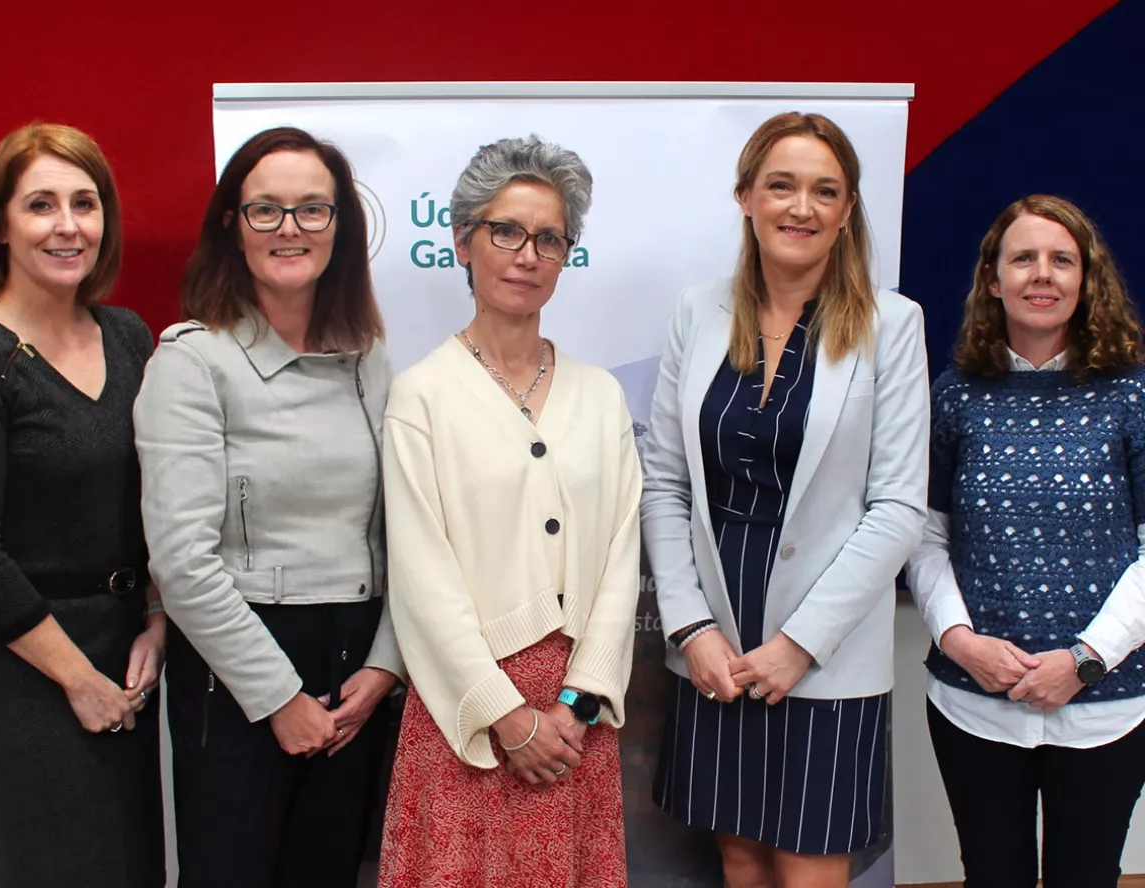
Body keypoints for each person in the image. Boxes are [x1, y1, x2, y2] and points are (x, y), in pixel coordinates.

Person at [641, 111, 929, 888]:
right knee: (739, 854)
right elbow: (664, 483)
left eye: (824, 191)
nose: (800, 207)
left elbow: (900, 506)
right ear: (745, 197)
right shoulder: (696, 312)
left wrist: (800, 642)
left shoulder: (893, 326)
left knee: (808, 861)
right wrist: (691, 626)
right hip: (716, 643)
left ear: (845, 213)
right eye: (782, 185)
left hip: (825, 649)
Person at [134, 126, 403, 888]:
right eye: (267, 211)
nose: (291, 229)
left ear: (340, 227)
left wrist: (385, 666)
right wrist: (278, 697)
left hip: (357, 664)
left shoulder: (369, 354)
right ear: (232, 226)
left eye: (313, 210)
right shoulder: (192, 361)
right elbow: (182, 562)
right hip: (241, 663)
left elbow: (403, 529)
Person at [378, 135, 642, 888]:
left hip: (575, 721)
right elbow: (422, 579)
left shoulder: (600, 394)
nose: (528, 254)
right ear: (464, 239)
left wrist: (578, 702)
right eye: (507, 231)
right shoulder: (421, 395)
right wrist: (506, 714)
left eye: (550, 238)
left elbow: (622, 559)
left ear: (567, 255)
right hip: (467, 712)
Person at [905, 194, 1145, 888]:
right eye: (1024, 258)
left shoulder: (1130, 396)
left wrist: (1086, 659)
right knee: (991, 874)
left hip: (1106, 706)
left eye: (1062, 260)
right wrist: (959, 641)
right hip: (974, 702)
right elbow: (925, 534)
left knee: (1087, 875)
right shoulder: (956, 397)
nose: (1043, 275)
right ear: (992, 279)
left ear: (1085, 279)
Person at [0, 123, 165, 887]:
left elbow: (158, 501)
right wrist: (79, 681)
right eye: (41, 205)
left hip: (127, 658)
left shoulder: (129, 337)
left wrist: (158, 618)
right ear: (3, 225)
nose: (68, 225)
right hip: (28, 676)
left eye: (85, 202)